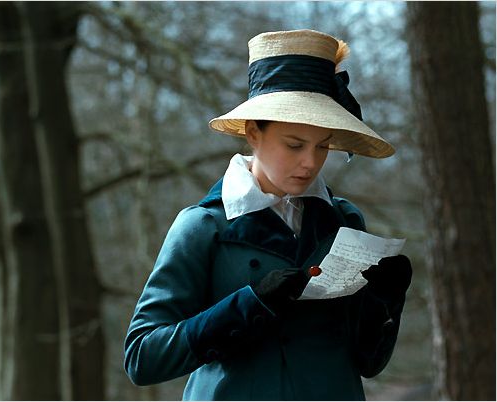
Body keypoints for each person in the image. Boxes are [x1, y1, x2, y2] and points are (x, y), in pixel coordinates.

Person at [124, 29, 413, 401]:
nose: (310, 162)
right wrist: (250, 304)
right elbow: (142, 358)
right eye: (294, 145)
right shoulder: (203, 226)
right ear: (253, 133)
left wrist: (387, 301)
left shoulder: (344, 222)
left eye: (322, 146)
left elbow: (368, 362)